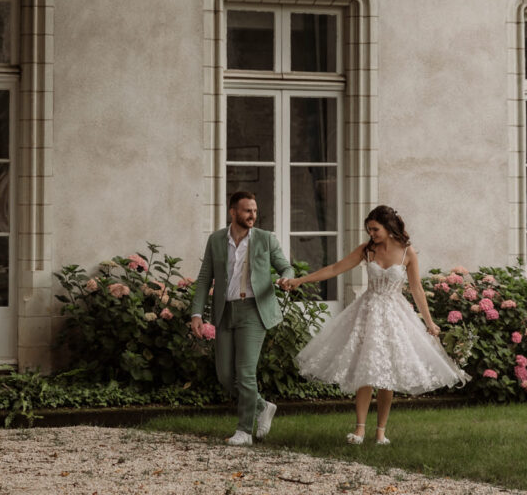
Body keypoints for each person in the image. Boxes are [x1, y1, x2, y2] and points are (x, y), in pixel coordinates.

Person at [279, 205, 469, 445]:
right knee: (366, 370)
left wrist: (430, 323)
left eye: (375, 229)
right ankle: (359, 430)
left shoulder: (407, 253)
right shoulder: (367, 250)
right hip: (367, 312)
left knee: (386, 374)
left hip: (394, 315)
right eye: (369, 229)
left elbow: (416, 289)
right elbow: (336, 268)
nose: (372, 234)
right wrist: (300, 280)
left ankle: (380, 431)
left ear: (389, 227)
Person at [191, 190, 294, 447]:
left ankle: (244, 431)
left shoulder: (265, 239)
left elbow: (285, 266)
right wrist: (196, 313)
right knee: (226, 375)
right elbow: (205, 279)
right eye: (248, 211)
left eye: (255, 211)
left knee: (245, 373)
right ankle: (262, 406)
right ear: (233, 212)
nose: (253, 215)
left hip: (253, 311)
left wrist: (286, 279)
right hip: (225, 311)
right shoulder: (216, 240)